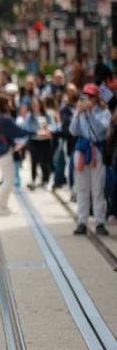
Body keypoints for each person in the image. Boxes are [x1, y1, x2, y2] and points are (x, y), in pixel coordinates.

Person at [70, 83, 111, 236]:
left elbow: (101, 130)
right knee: (82, 189)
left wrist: (91, 114)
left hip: (97, 154)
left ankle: (100, 222)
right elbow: (73, 131)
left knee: (98, 189)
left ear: (97, 97)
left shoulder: (103, 112)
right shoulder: (79, 111)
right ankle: (82, 221)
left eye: (91, 96)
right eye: (86, 95)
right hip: (82, 152)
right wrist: (78, 113)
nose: (88, 99)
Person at [0, 95, 33, 216]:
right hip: (5, 151)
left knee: (8, 180)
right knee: (8, 181)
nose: (11, 105)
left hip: (1, 151)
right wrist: (33, 133)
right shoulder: (5, 118)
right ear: (3, 104)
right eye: (8, 103)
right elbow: (16, 131)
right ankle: (0, 207)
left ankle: (3, 206)